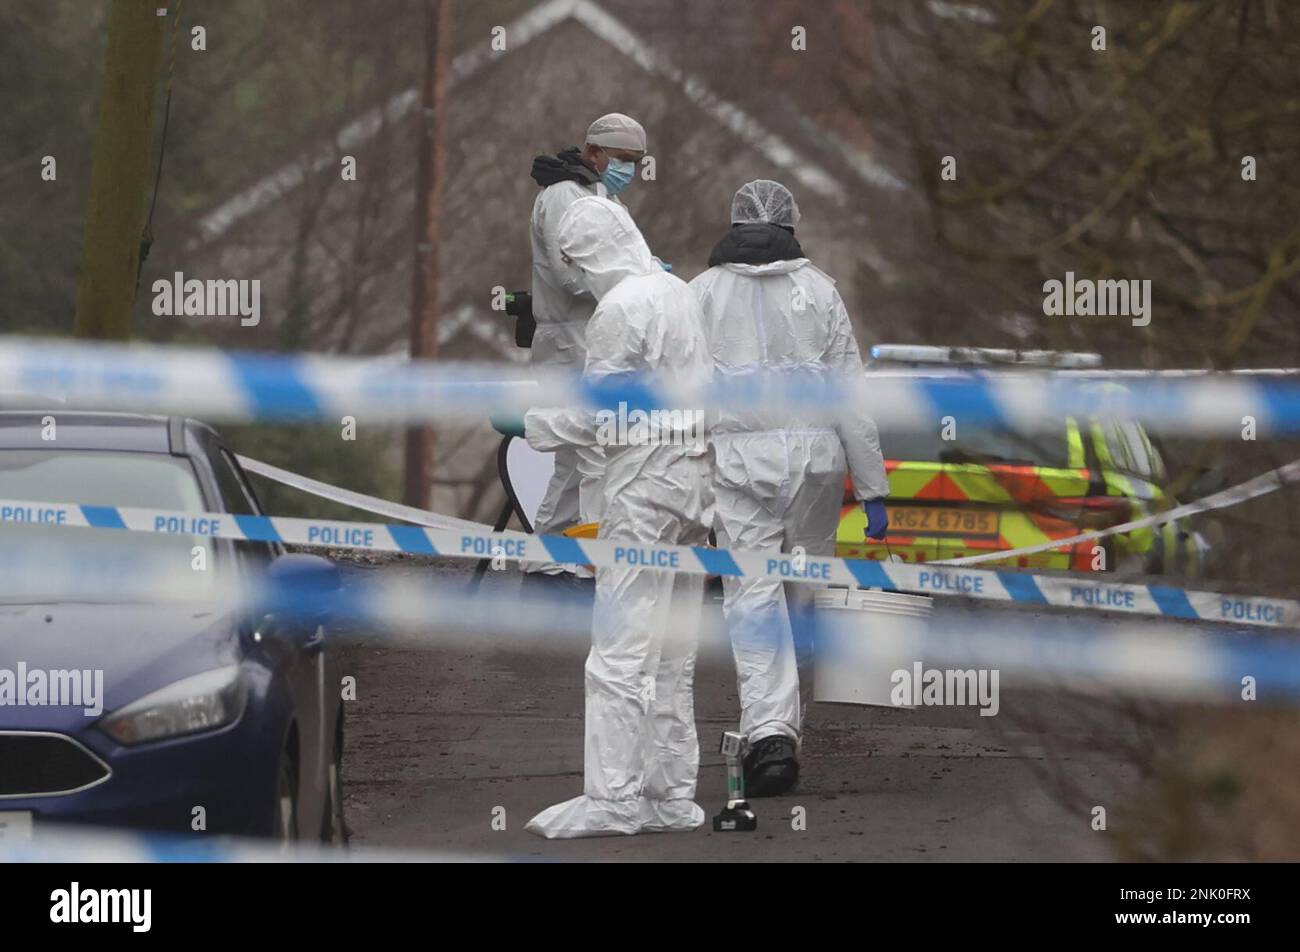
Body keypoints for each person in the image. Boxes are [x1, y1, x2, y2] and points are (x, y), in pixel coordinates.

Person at [521, 196, 714, 838]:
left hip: (644, 484)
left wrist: (535, 422)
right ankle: (671, 795)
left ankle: (611, 801)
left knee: (619, 651)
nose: (572, 274)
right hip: (695, 480)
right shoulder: (678, 292)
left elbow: (601, 415)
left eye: (571, 261)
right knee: (673, 650)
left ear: (579, 257)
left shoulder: (618, 309)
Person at [690, 179, 890, 796]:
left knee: (753, 596)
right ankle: (777, 728)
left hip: (737, 463)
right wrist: (873, 485)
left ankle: (771, 728)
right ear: (791, 225)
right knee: (802, 591)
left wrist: (685, 475)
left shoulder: (699, 294)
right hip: (815, 462)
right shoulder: (821, 291)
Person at [524, 113, 647, 575]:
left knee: (576, 462)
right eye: (621, 159)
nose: (628, 169)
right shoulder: (561, 196)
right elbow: (569, 274)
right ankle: (591, 568)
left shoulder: (601, 196)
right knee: (597, 451)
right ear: (593, 152)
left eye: (635, 162)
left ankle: (545, 564)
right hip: (567, 338)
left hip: (593, 337)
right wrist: (635, 281)